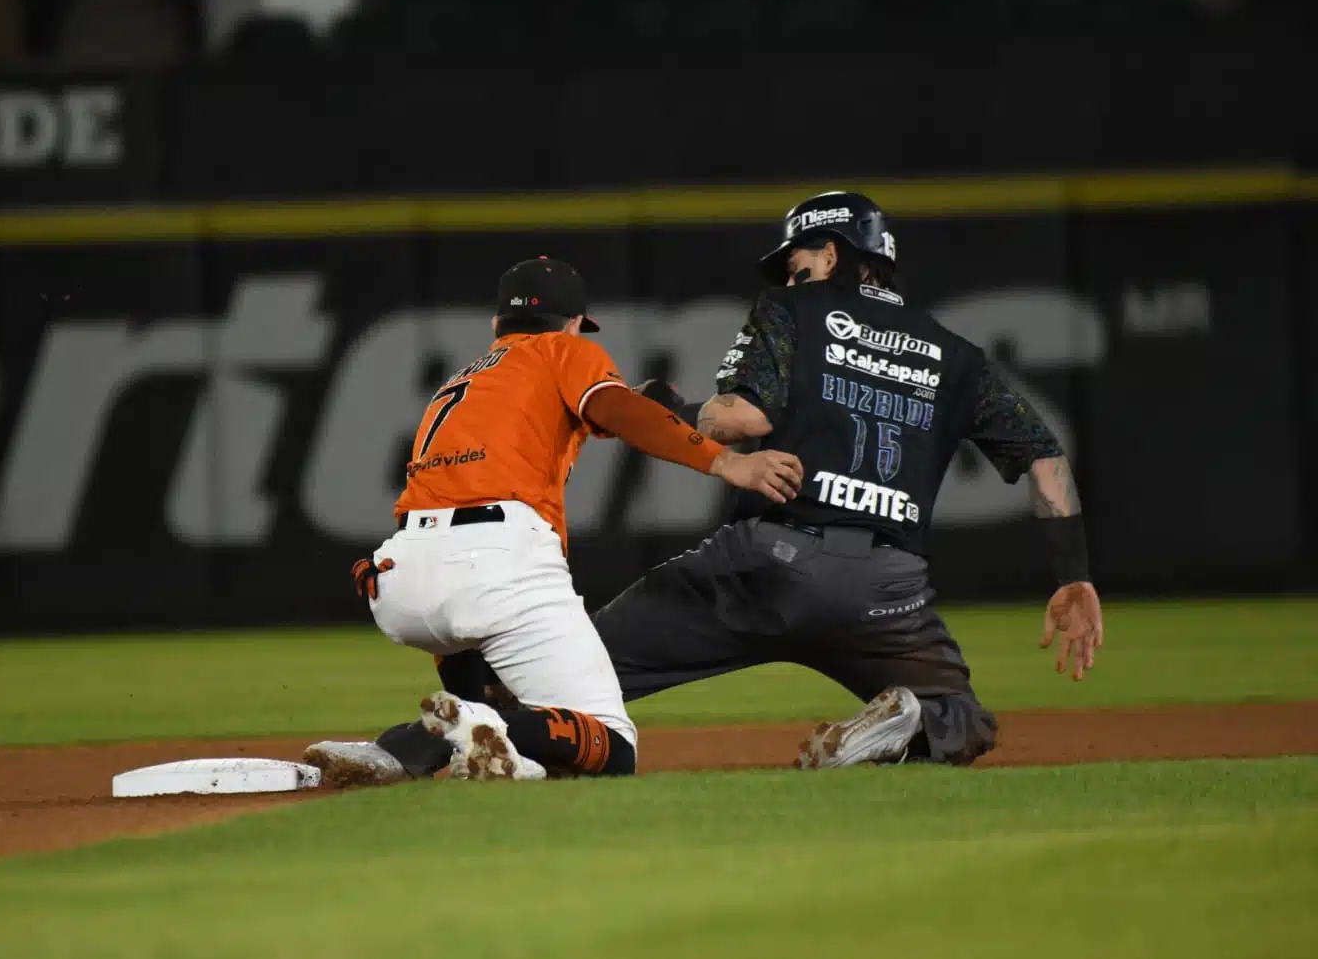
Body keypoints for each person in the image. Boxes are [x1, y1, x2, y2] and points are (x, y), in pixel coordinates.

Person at [309, 193, 1103, 783]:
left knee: (561, 684)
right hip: (885, 589)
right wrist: (1073, 574)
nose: (790, 272)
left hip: (760, 564)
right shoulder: (955, 355)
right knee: (962, 719)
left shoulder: (798, 310)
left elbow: (741, 419)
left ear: (831, 254)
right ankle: (904, 724)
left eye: (799, 258)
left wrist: (677, 411)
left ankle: (407, 751)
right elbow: (1045, 460)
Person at [306, 256, 804, 785]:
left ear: (498, 325)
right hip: (492, 565)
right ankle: (454, 728)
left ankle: (396, 753)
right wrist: (727, 461)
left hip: (401, 577)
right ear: (572, 324)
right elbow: (615, 409)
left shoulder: (467, 378)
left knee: (500, 712)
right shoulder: (565, 350)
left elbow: (600, 410)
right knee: (611, 744)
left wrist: (651, 406)